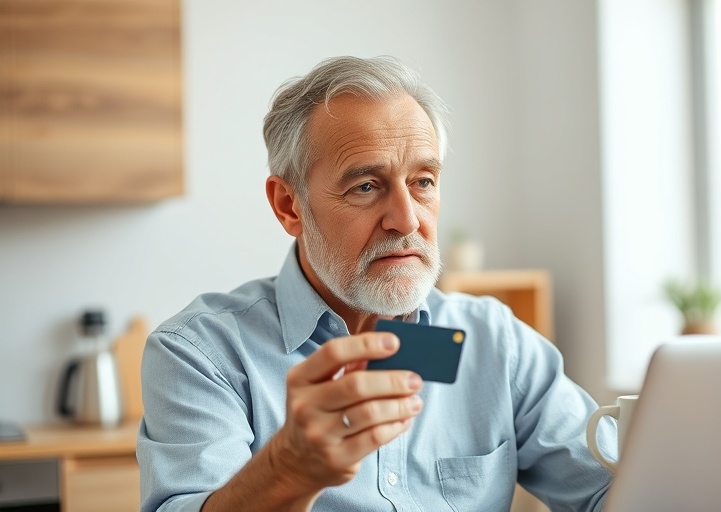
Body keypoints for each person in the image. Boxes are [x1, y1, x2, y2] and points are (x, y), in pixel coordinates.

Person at [137, 55, 613, 511]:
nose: (406, 220)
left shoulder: (494, 343)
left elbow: (611, 490)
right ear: (289, 205)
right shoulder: (201, 355)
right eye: (366, 186)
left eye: (423, 181)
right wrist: (286, 470)